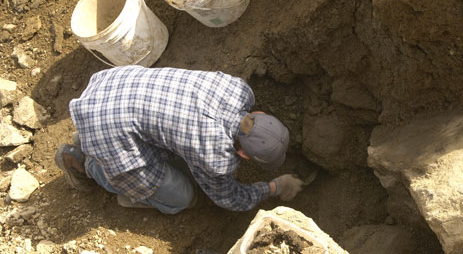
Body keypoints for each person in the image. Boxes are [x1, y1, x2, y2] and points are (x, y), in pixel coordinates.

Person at [54, 65, 304, 214]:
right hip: (108, 126)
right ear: (243, 155)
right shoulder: (215, 159)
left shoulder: (238, 89)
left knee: (175, 150)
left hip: (112, 84)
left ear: (259, 113)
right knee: (184, 198)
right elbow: (229, 199)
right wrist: (274, 187)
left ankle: (90, 136)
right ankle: (88, 164)